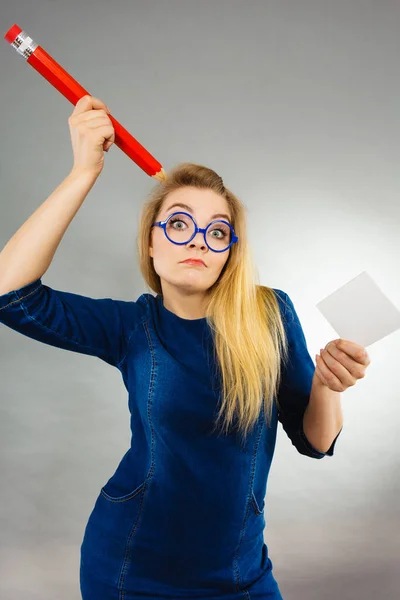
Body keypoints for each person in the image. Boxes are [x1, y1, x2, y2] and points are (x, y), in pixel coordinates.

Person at [0, 95, 342, 600]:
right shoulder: (131, 326)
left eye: (217, 231)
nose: (198, 240)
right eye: (179, 224)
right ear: (151, 244)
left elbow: (315, 441)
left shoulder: (269, 315)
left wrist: (329, 386)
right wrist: (83, 174)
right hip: (132, 572)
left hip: (239, 573)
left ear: (229, 253)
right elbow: (11, 294)